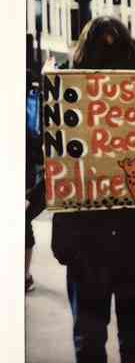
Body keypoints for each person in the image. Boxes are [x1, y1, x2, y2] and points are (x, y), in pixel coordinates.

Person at [50, 16, 135, 363]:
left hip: (87, 239)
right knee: (133, 330)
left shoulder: (64, 98)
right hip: (132, 237)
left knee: (90, 334)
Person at [25, 72, 46, 292]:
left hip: (32, 181)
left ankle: (24, 275)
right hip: (33, 179)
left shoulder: (32, 104)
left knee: (22, 223)